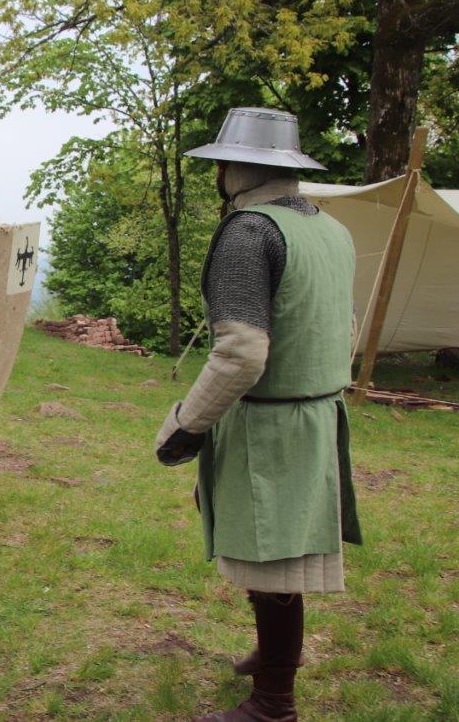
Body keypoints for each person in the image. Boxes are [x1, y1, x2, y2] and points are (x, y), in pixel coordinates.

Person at [155, 107, 362, 722]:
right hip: (314, 415)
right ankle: (273, 654)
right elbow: (346, 328)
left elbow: (242, 352)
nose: (219, 174)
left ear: (235, 169)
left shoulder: (249, 233)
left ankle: (273, 702)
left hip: (273, 425)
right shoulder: (331, 228)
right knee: (265, 543)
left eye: (223, 163)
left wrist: (186, 424)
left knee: (274, 555)